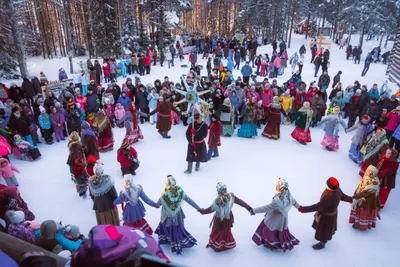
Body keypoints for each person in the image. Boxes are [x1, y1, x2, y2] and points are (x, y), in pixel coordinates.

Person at [298, 177, 353, 250]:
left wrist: (303, 209)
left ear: (330, 187)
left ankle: (322, 243)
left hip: (326, 217)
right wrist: (350, 199)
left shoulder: (328, 197)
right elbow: (343, 196)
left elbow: (317, 206)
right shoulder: (338, 190)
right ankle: (325, 237)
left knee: (324, 230)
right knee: (327, 228)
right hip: (332, 214)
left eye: (327, 184)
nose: (326, 185)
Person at [199, 182, 253, 252]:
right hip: (221, 219)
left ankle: (222, 245)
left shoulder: (230, 197)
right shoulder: (219, 201)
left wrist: (248, 208)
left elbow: (241, 202)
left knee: (224, 231)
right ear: (219, 191)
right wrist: (203, 211)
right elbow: (210, 209)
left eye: (224, 190)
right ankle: (219, 245)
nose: (223, 192)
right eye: (222, 191)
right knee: (219, 231)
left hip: (224, 218)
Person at [155, 175, 201, 255]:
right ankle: (177, 240)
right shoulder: (180, 191)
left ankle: (168, 240)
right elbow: (189, 200)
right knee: (177, 228)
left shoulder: (165, 194)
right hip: (177, 215)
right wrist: (199, 208)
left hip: (167, 215)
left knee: (167, 227)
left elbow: (158, 204)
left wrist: (154, 204)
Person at [251, 178, 300, 252]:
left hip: (273, 219)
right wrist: (300, 208)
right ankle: (275, 243)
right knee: (278, 231)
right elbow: (296, 204)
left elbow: (266, 208)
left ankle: (272, 244)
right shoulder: (289, 196)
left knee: (268, 232)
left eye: (277, 186)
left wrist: (254, 211)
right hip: (283, 220)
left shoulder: (277, 201)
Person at [349, 166, 381, 231]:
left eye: (369, 171)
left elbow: (365, 192)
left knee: (363, 211)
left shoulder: (374, 183)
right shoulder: (367, 177)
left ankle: (361, 225)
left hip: (367, 201)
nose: (366, 171)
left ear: (373, 173)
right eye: (367, 170)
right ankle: (357, 222)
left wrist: (355, 197)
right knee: (359, 209)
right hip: (361, 198)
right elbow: (360, 187)